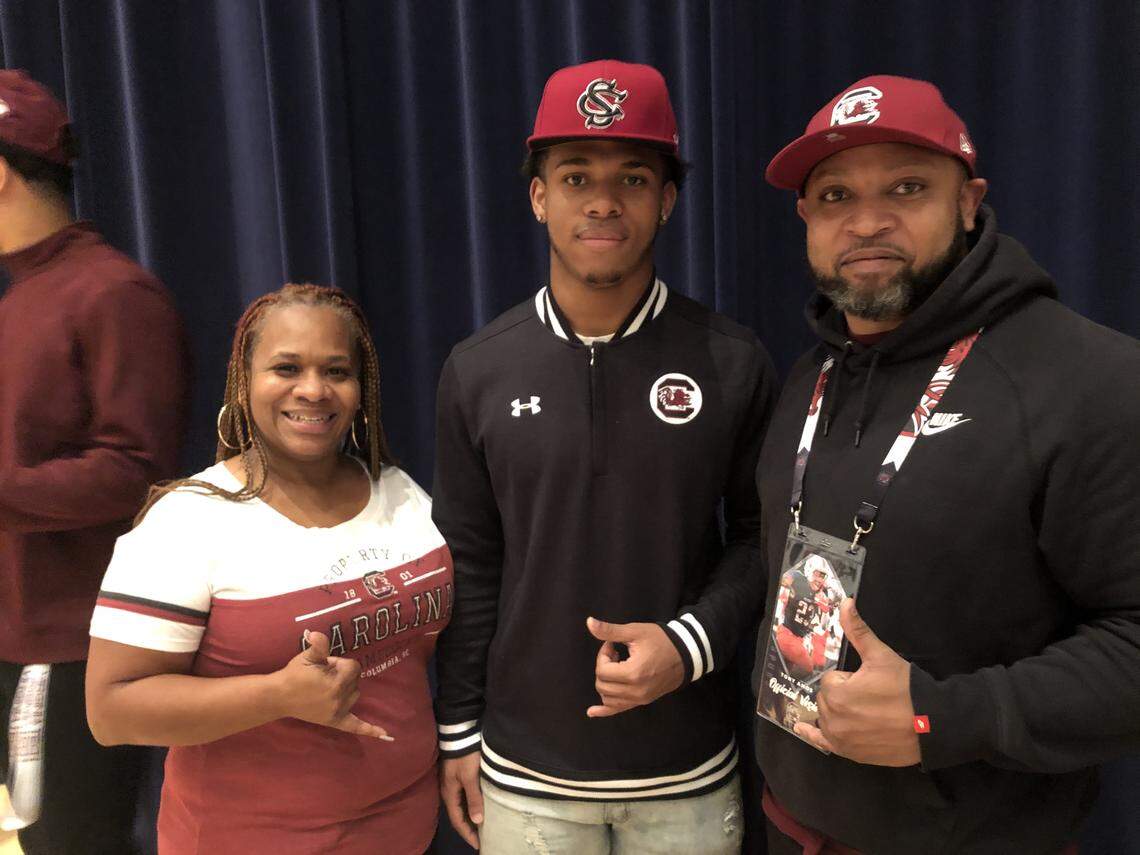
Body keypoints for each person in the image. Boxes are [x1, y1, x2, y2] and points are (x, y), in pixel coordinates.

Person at [753, 74, 1140, 853]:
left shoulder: (1092, 378)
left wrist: (941, 716)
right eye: (834, 197)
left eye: (907, 186)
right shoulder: (810, 375)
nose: (866, 221)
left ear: (969, 203)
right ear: (805, 219)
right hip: (794, 822)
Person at [432, 59, 777, 853]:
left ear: (666, 199)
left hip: (686, 769)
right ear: (538, 195)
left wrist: (690, 642)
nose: (601, 199)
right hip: (526, 775)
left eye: (631, 176)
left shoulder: (732, 360)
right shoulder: (479, 368)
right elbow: (471, 562)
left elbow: (766, 539)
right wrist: (456, 732)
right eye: (576, 173)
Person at [85, 284, 453, 854]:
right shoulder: (188, 520)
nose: (313, 389)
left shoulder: (399, 491)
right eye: (286, 367)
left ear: (362, 386)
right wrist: (276, 696)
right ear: (244, 379)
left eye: (336, 370)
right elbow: (111, 711)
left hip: (404, 826)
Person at [0, 68, 188, 854]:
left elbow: (133, 473)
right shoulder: (22, 298)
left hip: (74, 648)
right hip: (20, 637)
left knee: (71, 844)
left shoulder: (114, 294)